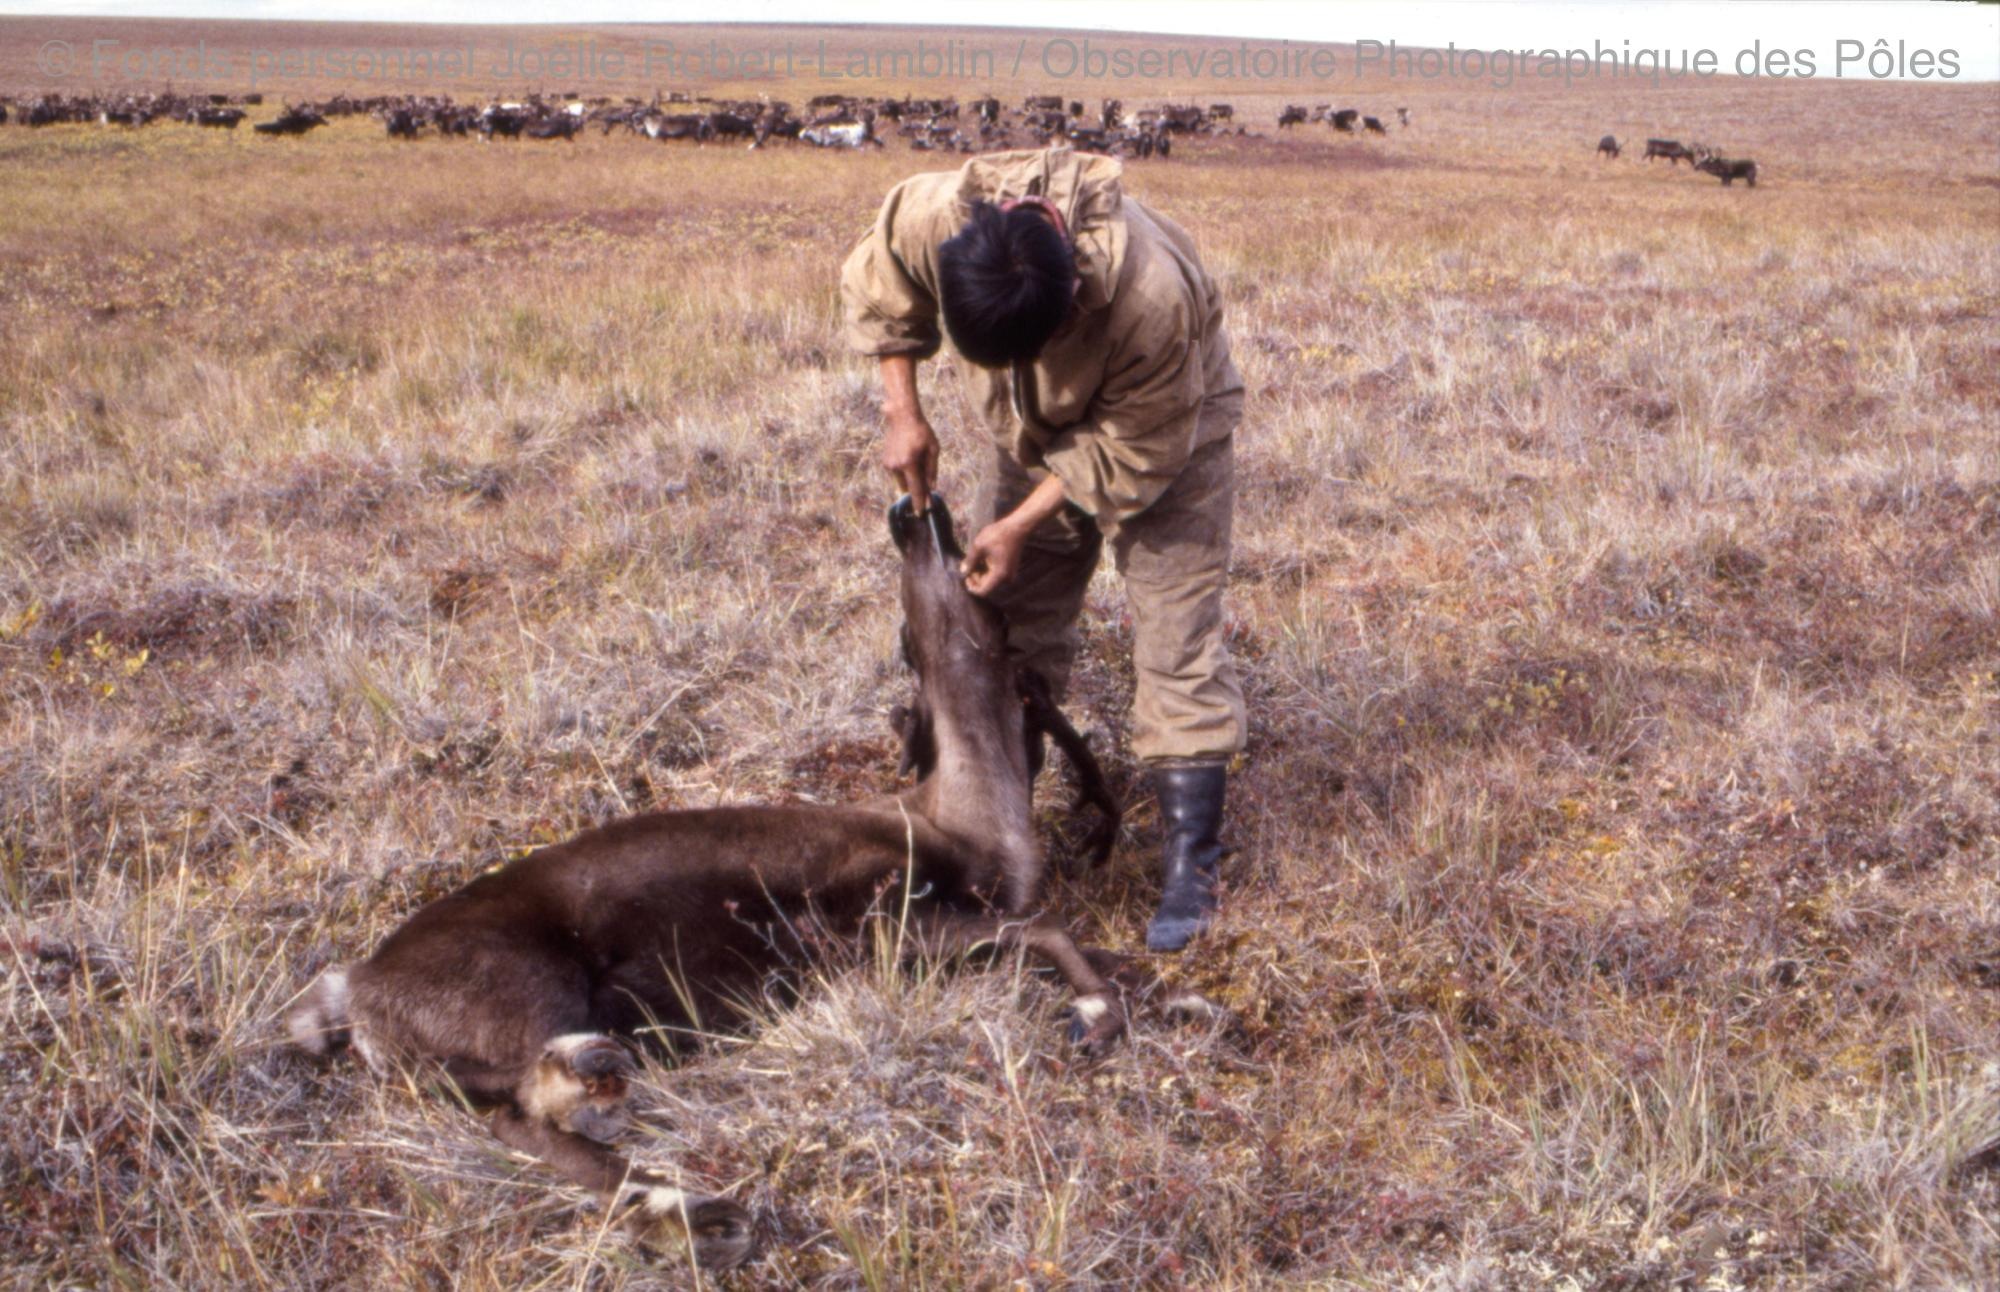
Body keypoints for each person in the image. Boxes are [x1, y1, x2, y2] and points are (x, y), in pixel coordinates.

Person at [839, 144, 1245, 953]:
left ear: (1068, 309)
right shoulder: (938, 216)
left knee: (1175, 641)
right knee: (1007, 627)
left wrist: (1021, 522)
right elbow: (881, 279)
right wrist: (902, 412)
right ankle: (992, 830)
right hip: (1027, 436)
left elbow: (1137, 445)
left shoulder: (1148, 297)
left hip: (1169, 437)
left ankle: (1191, 867)